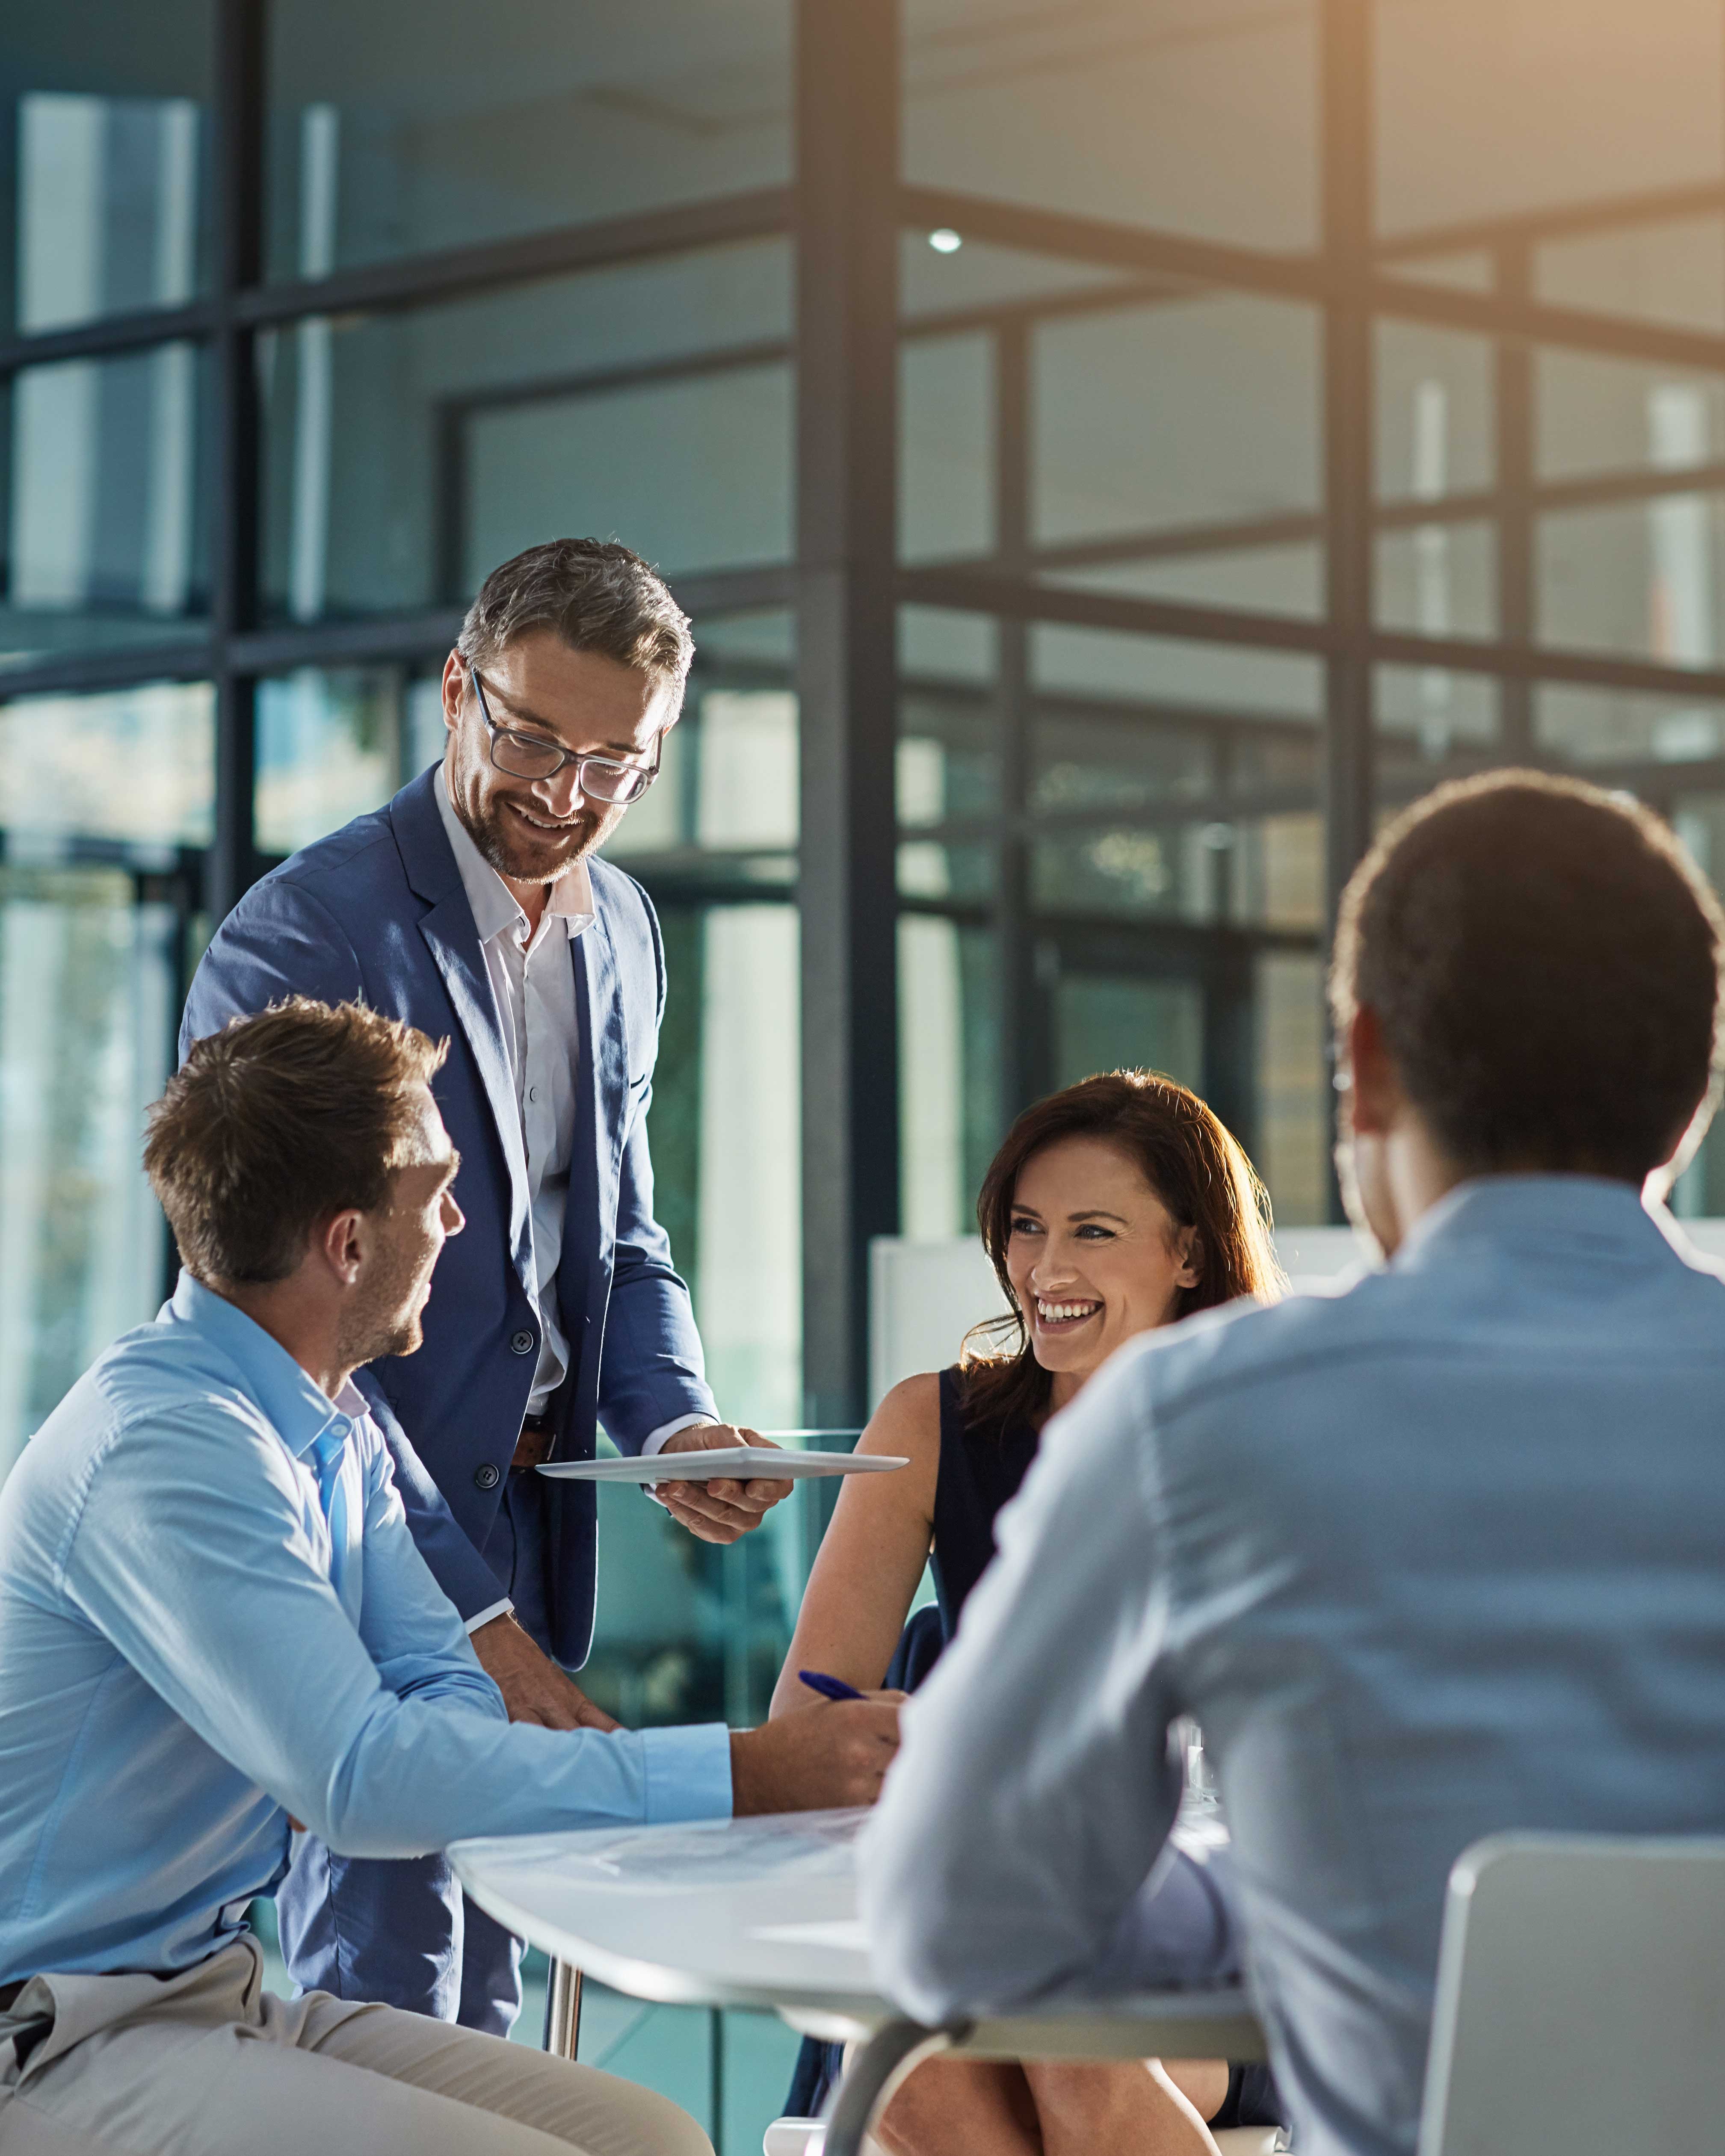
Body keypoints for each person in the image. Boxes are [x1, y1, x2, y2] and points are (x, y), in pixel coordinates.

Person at [860, 768, 1725, 2156]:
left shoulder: (1194, 1424)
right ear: (1691, 1094)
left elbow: (949, 1910)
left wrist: (1260, 1890)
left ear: (1366, 1065)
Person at [0, 999, 898, 2156]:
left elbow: (446, 1692)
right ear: (351, 1244)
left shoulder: (322, 1421)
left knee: (653, 2137)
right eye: (435, 1195)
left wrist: (359, 1743)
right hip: (52, 2044)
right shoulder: (171, 1446)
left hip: (199, 1996)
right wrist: (748, 1771)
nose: (463, 1224)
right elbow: (365, 1779)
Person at [180, 538, 796, 2033]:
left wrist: (671, 1428)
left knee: (496, 1976)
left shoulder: (624, 932)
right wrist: (464, 1617)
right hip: (372, 1525)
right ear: (458, 688)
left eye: (615, 762)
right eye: (530, 735)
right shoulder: (306, 935)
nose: (567, 791)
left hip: (536, 1511)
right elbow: (292, 1340)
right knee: (381, 1986)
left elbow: (620, 1233)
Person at [774, 1070, 1286, 2154]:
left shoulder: (1264, 1439)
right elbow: (800, 1737)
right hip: (970, 1914)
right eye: (1025, 1228)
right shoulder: (933, 1424)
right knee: (918, 2065)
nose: (1046, 1270)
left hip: (1202, 1940)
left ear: (1189, 1254)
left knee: (1062, 2034)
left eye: (1093, 1232)